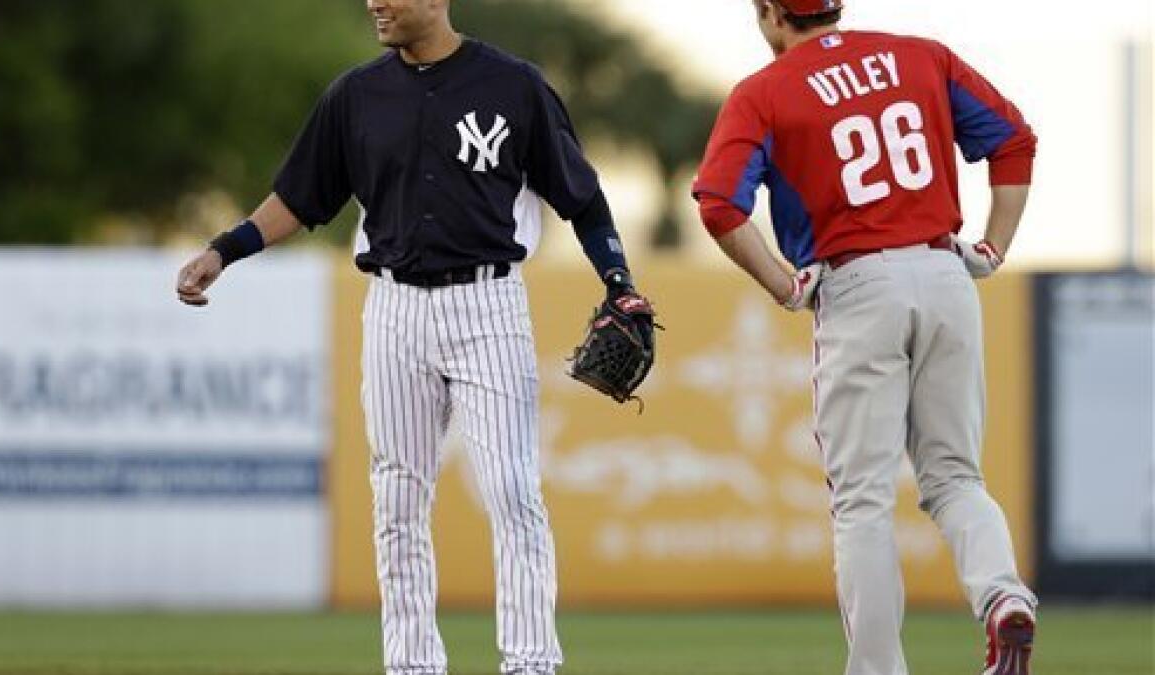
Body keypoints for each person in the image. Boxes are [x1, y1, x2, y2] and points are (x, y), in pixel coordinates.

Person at [176, 1, 654, 673]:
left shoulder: (513, 85)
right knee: (398, 500)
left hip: (487, 304)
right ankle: (411, 664)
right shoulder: (355, 96)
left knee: (512, 491)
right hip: (395, 308)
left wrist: (617, 279)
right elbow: (299, 197)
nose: (375, 2)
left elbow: (583, 198)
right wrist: (223, 252)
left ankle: (530, 663)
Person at [691, 1, 1038, 674]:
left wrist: (782, 284)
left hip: (857, 286)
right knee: (956, 476)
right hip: (944, 272)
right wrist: (995, 243)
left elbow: (718, 203)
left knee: (863, 500)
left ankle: (878, 669)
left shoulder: (764, 91)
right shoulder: (921, 55)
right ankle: (1002, 596)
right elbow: (1013, 139)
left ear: (770, 13)